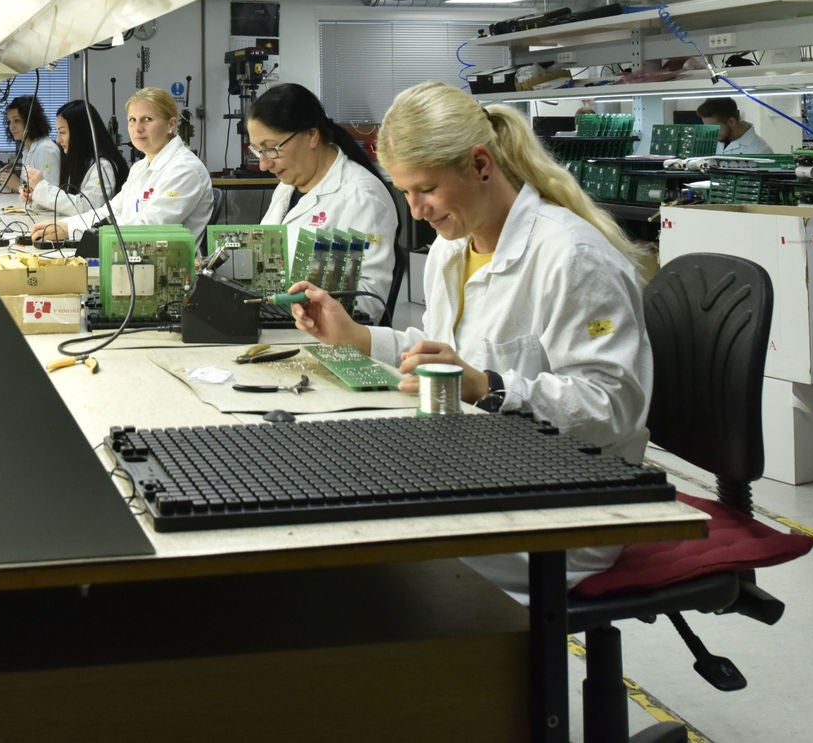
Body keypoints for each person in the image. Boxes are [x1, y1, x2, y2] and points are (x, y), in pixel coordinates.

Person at [291, 81, 652, 597]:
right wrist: (358, 337)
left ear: (481, 165)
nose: (416, 210)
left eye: (426, 189)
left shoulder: (572, 257)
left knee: (357, 550)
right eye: (405, 192)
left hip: (569, 498)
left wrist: (488, 387)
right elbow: (444, 352)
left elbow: (612, 407)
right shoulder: (453, 245)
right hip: (478, 462)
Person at [246, 83, 398, 298]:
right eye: (258, 151)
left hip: (315, 319)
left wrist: (307, 303)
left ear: (312, 135)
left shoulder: (362, 198)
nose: (263, 165)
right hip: (273, 312)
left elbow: (367, 300)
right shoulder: (287, 186)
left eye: (271, 149)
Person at [31, 87, 211, 242]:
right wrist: (64, 225)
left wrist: (70, 230)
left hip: (167, 266)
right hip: (134, 257)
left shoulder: (185, 169)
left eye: (147, 119)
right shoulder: (140, 167)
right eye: (132, 120)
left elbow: (148, 228)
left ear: (171, 124)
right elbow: (110, 212)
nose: (138, 128)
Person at [22, 99, 122, 221]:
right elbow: (69, 203)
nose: (58, 140)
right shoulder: (78, 162)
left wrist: (41, 188)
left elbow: (88, 208)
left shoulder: (103, 167)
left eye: (62, 132)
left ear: (80, 133)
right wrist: (37, 197)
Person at [1, 95, 61, 193]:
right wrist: (16, 184)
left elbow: (51, 194)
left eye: (16, 120)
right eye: (9, 122)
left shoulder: (46, 149)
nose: (12, 127)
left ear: (31, 121)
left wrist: (18, 186)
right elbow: (31, 188)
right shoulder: (28, 150)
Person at [696, 96, 773, 155]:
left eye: (714, 127)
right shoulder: (712, 142)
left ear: (731, 121)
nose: (710, 132)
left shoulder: (761, 151)